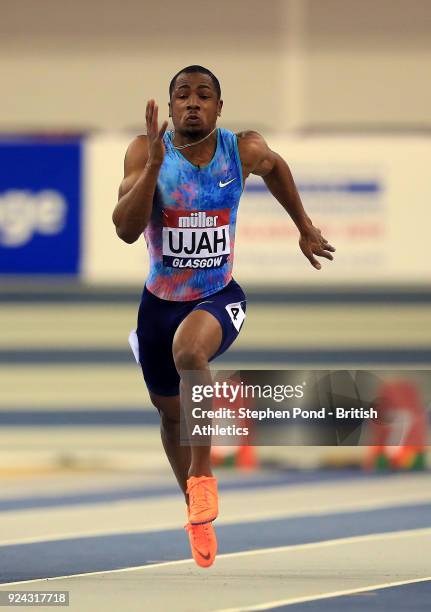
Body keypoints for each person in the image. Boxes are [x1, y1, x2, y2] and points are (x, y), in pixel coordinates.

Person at [112, 65, 335, 568]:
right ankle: (195, 509)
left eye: (204, 95)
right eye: (183, 96)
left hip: (218, 296)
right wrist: (152, 167)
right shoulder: (144, 153)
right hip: (158, 306)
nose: (193, 102)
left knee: (190, 350)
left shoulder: (243, 149)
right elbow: (126, 230)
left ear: (218, 108)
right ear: (169, 109)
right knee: (170, 416)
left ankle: (204, 474)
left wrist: (304, 225)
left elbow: (276, 168)